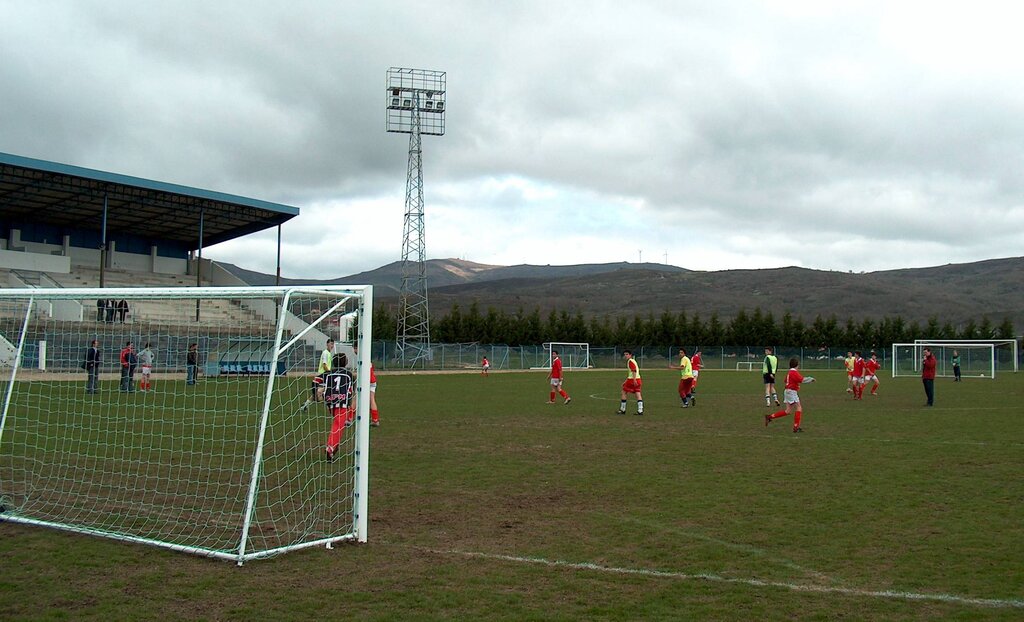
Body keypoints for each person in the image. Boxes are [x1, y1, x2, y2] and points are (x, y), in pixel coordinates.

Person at [765, 357, 815, 433]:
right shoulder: (794, 372)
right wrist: (811, 379)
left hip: (787, 391)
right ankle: (796, 427)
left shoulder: (789, 372)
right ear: (797, 365)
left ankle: (769, 417)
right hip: (791, 392)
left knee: (788, 411)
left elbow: (785, 380)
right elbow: (801, 380)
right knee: (799, 408)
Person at [323, 353, 354, 462]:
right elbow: (350, 391)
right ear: (345, 362)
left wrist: (327, 404)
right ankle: (330, 447)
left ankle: (334, 446)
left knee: (339, 424)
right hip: (343, 402)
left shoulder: (329, 374)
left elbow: (327, 389)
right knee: (337, 425)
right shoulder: (348, 374)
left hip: (332, 402)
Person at [300, 338, 335, 411]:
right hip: (323, 375)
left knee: (318, 393)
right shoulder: (325, 353)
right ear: (327, 344)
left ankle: (305, 406)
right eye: (331, 344)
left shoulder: (328, 353)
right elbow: (324, 365)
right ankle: (330, 407)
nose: (332, 346)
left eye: (333, 344)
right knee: (326, 391)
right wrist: (329, 372)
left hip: (325, 375)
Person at [616, 350, 644, 415]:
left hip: (632, 380)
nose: (625, 356)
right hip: (638, 379)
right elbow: (632, 372)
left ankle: (623, 409)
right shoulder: (634, 361)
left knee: (624, 392)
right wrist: (626, 381)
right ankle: (640, 410)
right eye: (625, 354)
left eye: (627, 354)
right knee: (638, 394)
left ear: (630, 355)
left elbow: (634, 370)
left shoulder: (630, 361)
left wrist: (634, 380)